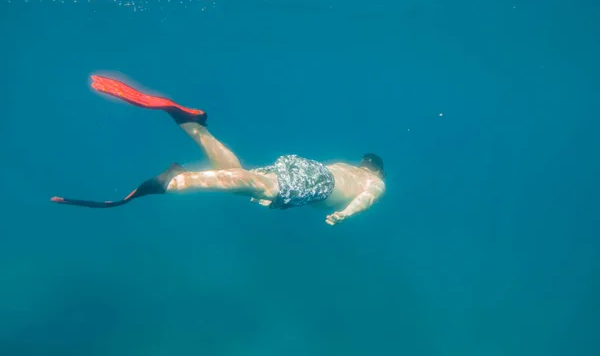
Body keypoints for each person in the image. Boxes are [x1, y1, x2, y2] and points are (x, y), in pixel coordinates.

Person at [51, 75, 386, 226]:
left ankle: (194, 127)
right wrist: (344, 215)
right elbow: (362, 199)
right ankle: (178, 181)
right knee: (251, 185)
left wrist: (279, 201)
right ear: (377, 171)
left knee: (242, 179)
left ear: (363, 162)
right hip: (317, 185)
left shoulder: (348, 165)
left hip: (309, 170)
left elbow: (310, 179)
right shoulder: (375, 183)